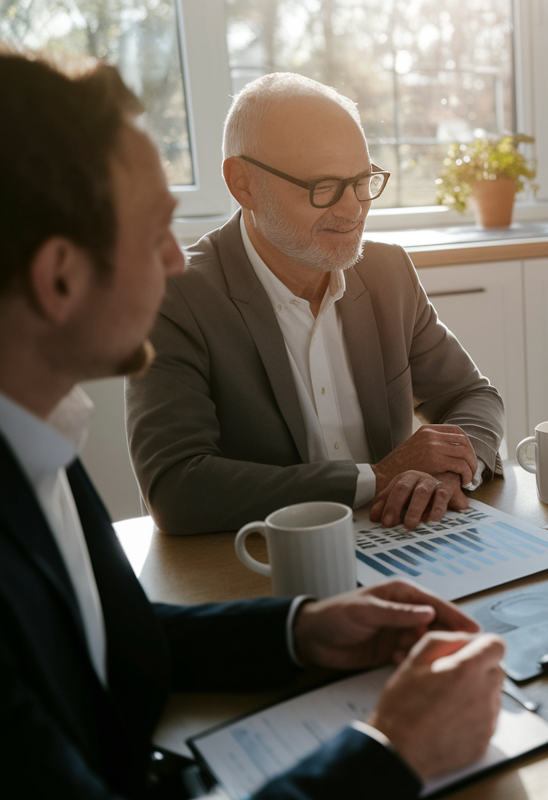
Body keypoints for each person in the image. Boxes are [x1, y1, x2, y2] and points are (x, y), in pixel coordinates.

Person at [0, 51, 506, 799]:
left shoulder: (43, 447)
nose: (175, 261)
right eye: (155, 233)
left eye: (361, 182)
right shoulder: (189, 302)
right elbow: (178, 485)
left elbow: (107, 638)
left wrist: (299, 630)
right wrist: (388, 753)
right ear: (59, 277)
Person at [126, 72, 504, 535]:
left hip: (402, 543)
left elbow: (472, 396)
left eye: (363, 181)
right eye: (323, 186)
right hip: (262, 569)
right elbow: (176, 487)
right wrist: (374, 478)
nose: (353, 209)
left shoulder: (388, 273)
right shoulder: (174, 297)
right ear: (242, 184)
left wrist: (446, 471)